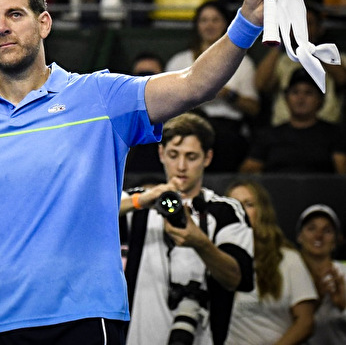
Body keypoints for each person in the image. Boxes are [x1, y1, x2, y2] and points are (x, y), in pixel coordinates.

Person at [0, 0, 284, 344]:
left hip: (83, 320)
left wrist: (247, 19)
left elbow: (195, 84)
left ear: (44, 22)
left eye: (15, 14)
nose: (2, 28)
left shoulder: (100, 96)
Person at [121, 113, 254, 345]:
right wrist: (142, 200)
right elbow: (88, 212)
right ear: (161, 154)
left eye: (191, 157)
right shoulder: (140, 206)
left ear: (208, 157)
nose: (181, 166)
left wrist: (201, 243)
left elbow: (236, 278)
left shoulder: (225, 210)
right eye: (174, 155)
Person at [166, 0, 259, 172]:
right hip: (186, 124)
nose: (209, 25)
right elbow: (165, 102)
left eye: (215, 20)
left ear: (226, 24)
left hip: (226, 130)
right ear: (197, 25)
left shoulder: (243, 62)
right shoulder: (179, 61)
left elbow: (253, 108)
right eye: (204, 20)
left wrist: (227, 94)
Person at [225, 180, 317, 345]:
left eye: (248, 204)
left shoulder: (288, 259)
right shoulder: (217, 258)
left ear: (262, 211)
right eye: (234, 205)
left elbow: (306, 322)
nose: (241, 211)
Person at [255, 3, 346, 127]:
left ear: (320, 29)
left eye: (308, 23)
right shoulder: (281, 60)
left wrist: (311, 47)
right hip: (285, 130)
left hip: (326, 131)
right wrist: (281, 42)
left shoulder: (336, 57)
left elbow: (343, 79)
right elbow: (261, 85)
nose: (302, 28)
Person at [240, 68, 346, 174]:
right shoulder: (268, 135)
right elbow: (248, 172)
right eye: (295, 92)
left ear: (320, 100)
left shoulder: (334, 134)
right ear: (286, 98)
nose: (301, 98)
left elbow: (342, 175)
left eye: (308, 93)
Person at [296, 204, 346, 344]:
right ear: (300, 236)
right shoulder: (288, 275)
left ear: (336, 241)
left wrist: (343, 306)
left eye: (327, 230)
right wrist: (313, 303)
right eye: (311, 228)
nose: (318, 236)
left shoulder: (344, 274)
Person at [126, 52, 166, 174]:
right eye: (141, 75)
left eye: (151, 76)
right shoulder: (121, 117)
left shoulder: (178, 115)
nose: (145, 80)